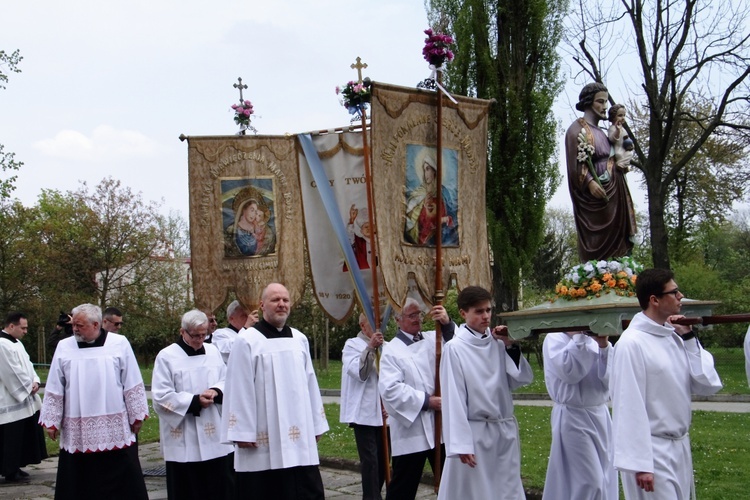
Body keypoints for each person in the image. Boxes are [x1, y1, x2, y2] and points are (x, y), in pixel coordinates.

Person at [610, 269, 722, 499]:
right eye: (674, 292)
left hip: (679, 446)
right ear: (654, 300)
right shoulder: (631, 344)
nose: (681, 296)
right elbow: (627, 404)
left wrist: (689, 338)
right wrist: (640, 463)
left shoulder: (673, 337)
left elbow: (707, 384)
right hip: (652, 451)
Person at [220, 283, 329, 499]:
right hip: (262, 435)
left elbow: (310, 382)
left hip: (298, 433)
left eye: (285, 300)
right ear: (262, 305)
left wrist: (316, 424)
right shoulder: (247, 340)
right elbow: (238, 387)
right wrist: (241, 431)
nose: (281, 304)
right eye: (275, 300)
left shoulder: (299, 339)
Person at [39, 303, 149, 499]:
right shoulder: (65, 346)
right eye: (74, 325)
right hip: (78, 425)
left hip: (114, 425)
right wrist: (51, 421)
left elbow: (132, 380)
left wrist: (137, 415)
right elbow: (55, 384)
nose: (74, 329)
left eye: (80, 325)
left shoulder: (119, 343)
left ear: (96, 324)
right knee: (80, 481)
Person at [437, 286, 532, 500]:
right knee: (476, 493)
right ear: (463, 313)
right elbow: (454, 398)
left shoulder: (498, 342)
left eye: (488, 310)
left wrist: (510, 345)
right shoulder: (455, 348)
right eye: (479, 311)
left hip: (503, 430)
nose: (486, 316)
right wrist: (461, 443)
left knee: (507, 490)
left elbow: (519, 379)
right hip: (476, 434)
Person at [152, 309, 235, 500]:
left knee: (220, 487)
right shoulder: (167, 356)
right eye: (195, 335)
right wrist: (194, 401)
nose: (200, 339)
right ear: (183, 332)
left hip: (214, 435)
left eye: (204, 334)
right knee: (188, 489)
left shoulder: (213, 351)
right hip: (184, 437)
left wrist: (216, 391)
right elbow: (161, 396)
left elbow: (227, 379)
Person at [378, 297, 454, 500]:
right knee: (404, 486)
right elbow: (390, 389)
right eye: (411, 315)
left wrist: (447, 324)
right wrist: (427, 401)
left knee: (452, 479)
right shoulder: (392, 350)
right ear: (398, 319)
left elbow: (457, 348)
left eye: (419, 314)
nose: (417, 319)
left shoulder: (434, 337)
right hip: (412, 430)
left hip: (440, 428)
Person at [541, 330, 617, 500]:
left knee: (605, 476)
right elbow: (570, 373)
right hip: (572, 415)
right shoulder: (554, 338)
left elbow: (610, 382)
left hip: (600, 414)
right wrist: (577, 337)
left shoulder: (593, 338)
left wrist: (604, 346)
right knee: (590, 481)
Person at [565, 82, 636, 261]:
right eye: (600, 102)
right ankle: (598, 273)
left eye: (605, 102)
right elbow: (576, 163)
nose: (605, 106)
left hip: (615, 190)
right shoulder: (577, 130)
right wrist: (589, 182)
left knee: (618, 239)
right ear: (589, 102)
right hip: (596, 197)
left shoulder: (604, 133)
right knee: (599, 242)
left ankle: (617, 271)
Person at [340, 313, 387, 500]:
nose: (378, 327)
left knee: (384, 463)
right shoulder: (352, 345)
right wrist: (370, 348)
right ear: (362, 325)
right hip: (364, 414)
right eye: (373, 322)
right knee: (371, 463)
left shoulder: (388, 347)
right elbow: (361, 373)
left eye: (380, 322)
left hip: (385, 414)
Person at [0, 312, 47, 483]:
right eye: (23, 327)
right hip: (8, 398)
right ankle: (9, 470)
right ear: (11, 326)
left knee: (21, 435)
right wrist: (28, 387)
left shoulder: (16, 342)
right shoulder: (1, 344)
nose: (26, 331)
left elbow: (28, 365)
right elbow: (11, 372)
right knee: (10, 438)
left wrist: (35, 380)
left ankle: (16, 466)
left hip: (24, 395)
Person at [404, 148, 458, 247]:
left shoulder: (444, 191)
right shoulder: (419, 192)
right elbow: (410, 217)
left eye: (428, 169)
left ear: (434, 171)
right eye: (424, 170)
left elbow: (452, 214)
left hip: (442, 237)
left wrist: (444, 220)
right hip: (424, 238)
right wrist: (423, 206)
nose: (426, 174)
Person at [212, 299, 258, 364]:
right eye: (244, 316)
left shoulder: (254, 333)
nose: (248, 318)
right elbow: (230, 352)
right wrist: (245, 327)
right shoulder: (220, 334)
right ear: (231, 319)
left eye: (248, 315)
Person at [608, 104, 634, 172]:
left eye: (624, 115)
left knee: (630, 154)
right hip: (618, 151)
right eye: (620, 115)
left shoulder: (623, 129)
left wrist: (630, 145)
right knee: (622, 155)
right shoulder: (612, 128)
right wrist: (617, 131)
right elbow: (612, 139)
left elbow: (627, 139)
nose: (623, 118)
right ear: (613, 117)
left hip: (624, 150)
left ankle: (623, 165)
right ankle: (621, 164)